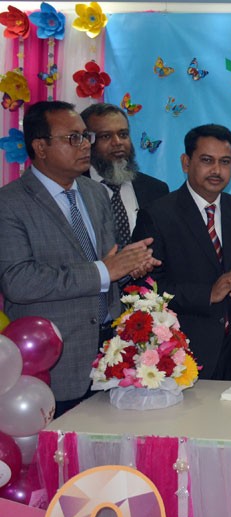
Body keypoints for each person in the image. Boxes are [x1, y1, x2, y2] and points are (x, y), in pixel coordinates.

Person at [0, 101, 158, 412]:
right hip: (53, 362)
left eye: (86, 136)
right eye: (73, 138)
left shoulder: (94, 192)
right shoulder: (10, 203)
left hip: (109, 358)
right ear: (40, 147)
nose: (85, 145)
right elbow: (18, 281)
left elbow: (107, 263)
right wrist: (104, 271)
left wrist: (130, 264)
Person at [132, 124, 231, 381]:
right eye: (207, 160)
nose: (217, 170)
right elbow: (146, 288)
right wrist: (208, 294)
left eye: (225, 162)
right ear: (185, 162)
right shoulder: (158, 214)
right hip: (182, 352)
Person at [81, 103, 168, 248]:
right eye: (106, 136)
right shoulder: (74, 187)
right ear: (87, 141)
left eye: (123, 134)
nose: (117, 142)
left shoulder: (156, 189)